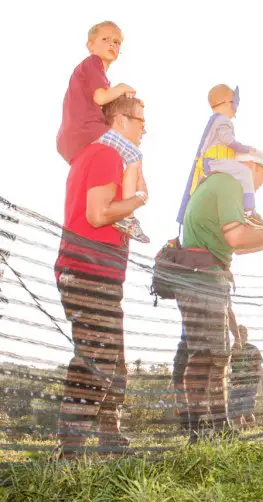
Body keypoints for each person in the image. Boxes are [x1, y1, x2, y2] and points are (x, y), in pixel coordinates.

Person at [173, 149, 263, 443]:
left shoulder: (221, 182)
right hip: (202, 277)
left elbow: (236, 244)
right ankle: (197, 431)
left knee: (217, 355)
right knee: (205, 356)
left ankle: (218, 426)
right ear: (249, 166)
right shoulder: (229, 184)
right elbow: (237, 237)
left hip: (205, 274)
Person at [53, 95, 147, 458]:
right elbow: (97, 213)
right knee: (97, 356)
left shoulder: (100, 155)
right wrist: (138, 198)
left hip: (100, 272)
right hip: (88, 270)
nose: (144, 129)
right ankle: (69, 450)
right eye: (140, 121)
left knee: (112, 357)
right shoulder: (106, 154)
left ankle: (111, 438)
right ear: (121, 120)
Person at [56, 20, 149, 243]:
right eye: (105, 39)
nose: (112, 44)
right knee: (135, 155)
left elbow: (99, 98)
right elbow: (100, 97)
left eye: (117, 42)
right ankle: (127, 217)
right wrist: (122, 87)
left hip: (74, 138)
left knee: (129, 155)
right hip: (87, 129)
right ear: (90, 45)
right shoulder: (93, 63)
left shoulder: (94, 73)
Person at [176, 84, 263, 228]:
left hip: (213, 162)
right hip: (213, 162)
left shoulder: (216, 120)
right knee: (244, 172)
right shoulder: (223, 121)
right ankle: (248, 211)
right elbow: (228, 140)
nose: (235, 110)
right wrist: (245, 149)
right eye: (234, 104)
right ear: (226, 103)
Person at [229, 319, 263, 429]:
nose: (241, 335)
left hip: (251, 384)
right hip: (236, 385)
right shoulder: (232, 350)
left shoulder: (253, 349)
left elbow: (259, 366)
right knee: (236, 414)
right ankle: (241, 433)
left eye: (243, 333)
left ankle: (252, 430)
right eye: (239, 333)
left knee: (247, 410)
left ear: (247, 335)